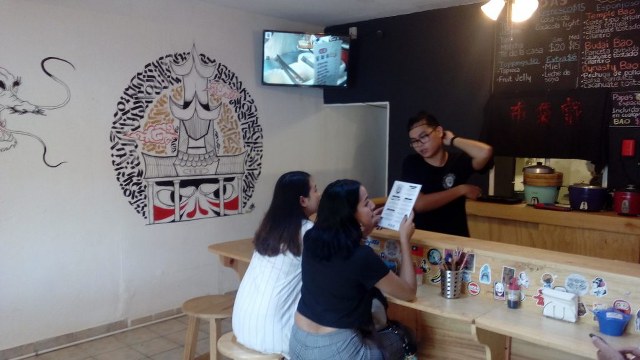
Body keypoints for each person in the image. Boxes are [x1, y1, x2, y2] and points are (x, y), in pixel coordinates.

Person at [290, 179, 417, 360]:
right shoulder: (362, 256)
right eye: (366, 203)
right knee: (405, 336)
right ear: (349, 214)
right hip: (337, 352)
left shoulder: (311, 238)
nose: (373, 205)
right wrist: (405, 240)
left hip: (298, 344)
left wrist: (365, 229)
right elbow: (409, 292)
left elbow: (343, 255)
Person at [232, 171, 321, 359]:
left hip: (242, 324)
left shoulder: (269, 227)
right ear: (303, 200)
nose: (319, 195)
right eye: (315, 190)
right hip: (276, 335)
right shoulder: (308, 231)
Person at [400, 111, 493, 237]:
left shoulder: (458, 161)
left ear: (438, 131)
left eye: (423, 137)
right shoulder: (412, 163)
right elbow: (420, 204)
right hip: (422, 239)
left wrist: (453, 140)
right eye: (414, 141)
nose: (420, 145)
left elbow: (485, 152)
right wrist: (461, 190)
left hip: (456, 238)